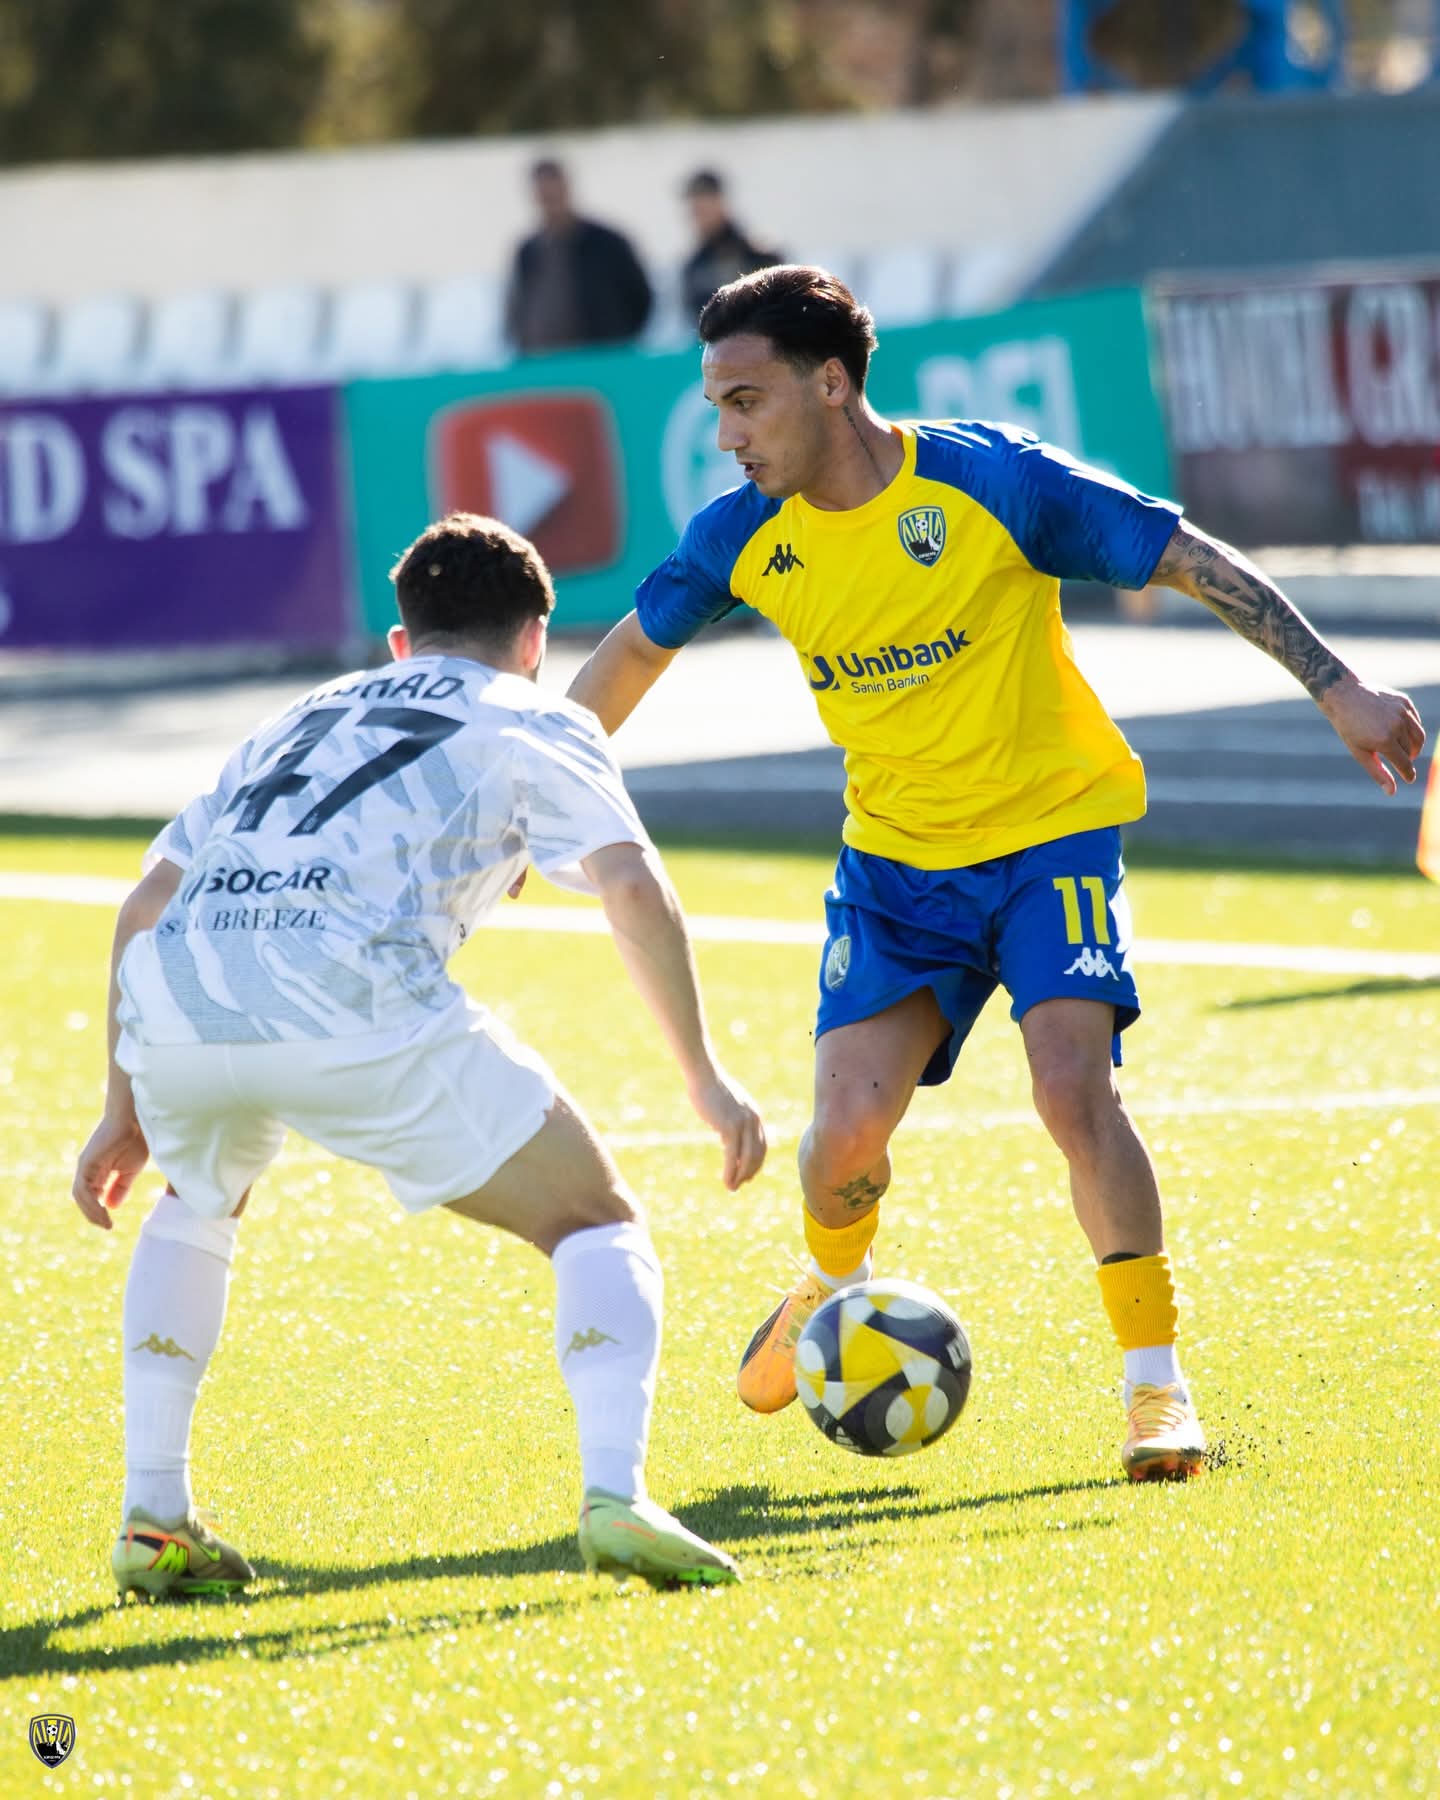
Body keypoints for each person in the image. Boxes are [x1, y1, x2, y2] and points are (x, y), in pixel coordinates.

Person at [566, 263, 1426, 1482]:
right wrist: (529, 798)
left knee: (1074, 1092)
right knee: (842, 1140)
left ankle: (1156, 1389)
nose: (728, 436)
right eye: (718, 408)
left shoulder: (991, 479)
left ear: (831, 383)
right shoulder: (743, 533)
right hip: (895, 867)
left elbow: (1186, 557)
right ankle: (834, 1280)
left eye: (746, 402)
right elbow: (625, 661)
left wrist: (1336, 686)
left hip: (1048, 837)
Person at [71, 512, 766, 1598]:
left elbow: (142, 905)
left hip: (182, 992)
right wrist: (704, 1079)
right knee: (595, 1221)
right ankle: (616, 1495)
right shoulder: (532, 712)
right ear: (535, 641)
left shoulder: (300, 715)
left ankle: (152, 1515)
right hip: (346, 996)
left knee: (195, 1203)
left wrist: (122, 1108)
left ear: (401, 642)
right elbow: (631, 886)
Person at [504, 158, 653, 355]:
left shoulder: (607, 243)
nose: (551, 202)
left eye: (554, 194)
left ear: (567, 189)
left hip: (602, 356)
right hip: (545, 359)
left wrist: (619, 340)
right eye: (545, 196)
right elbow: (517, 307)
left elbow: (639, 297)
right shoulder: (528, 251)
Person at [679, 170, 781, 327]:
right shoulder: (694, 265)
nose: (698, 216)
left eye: (703, 208)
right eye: (695, 210)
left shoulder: (758, 255)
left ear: (720, 202)